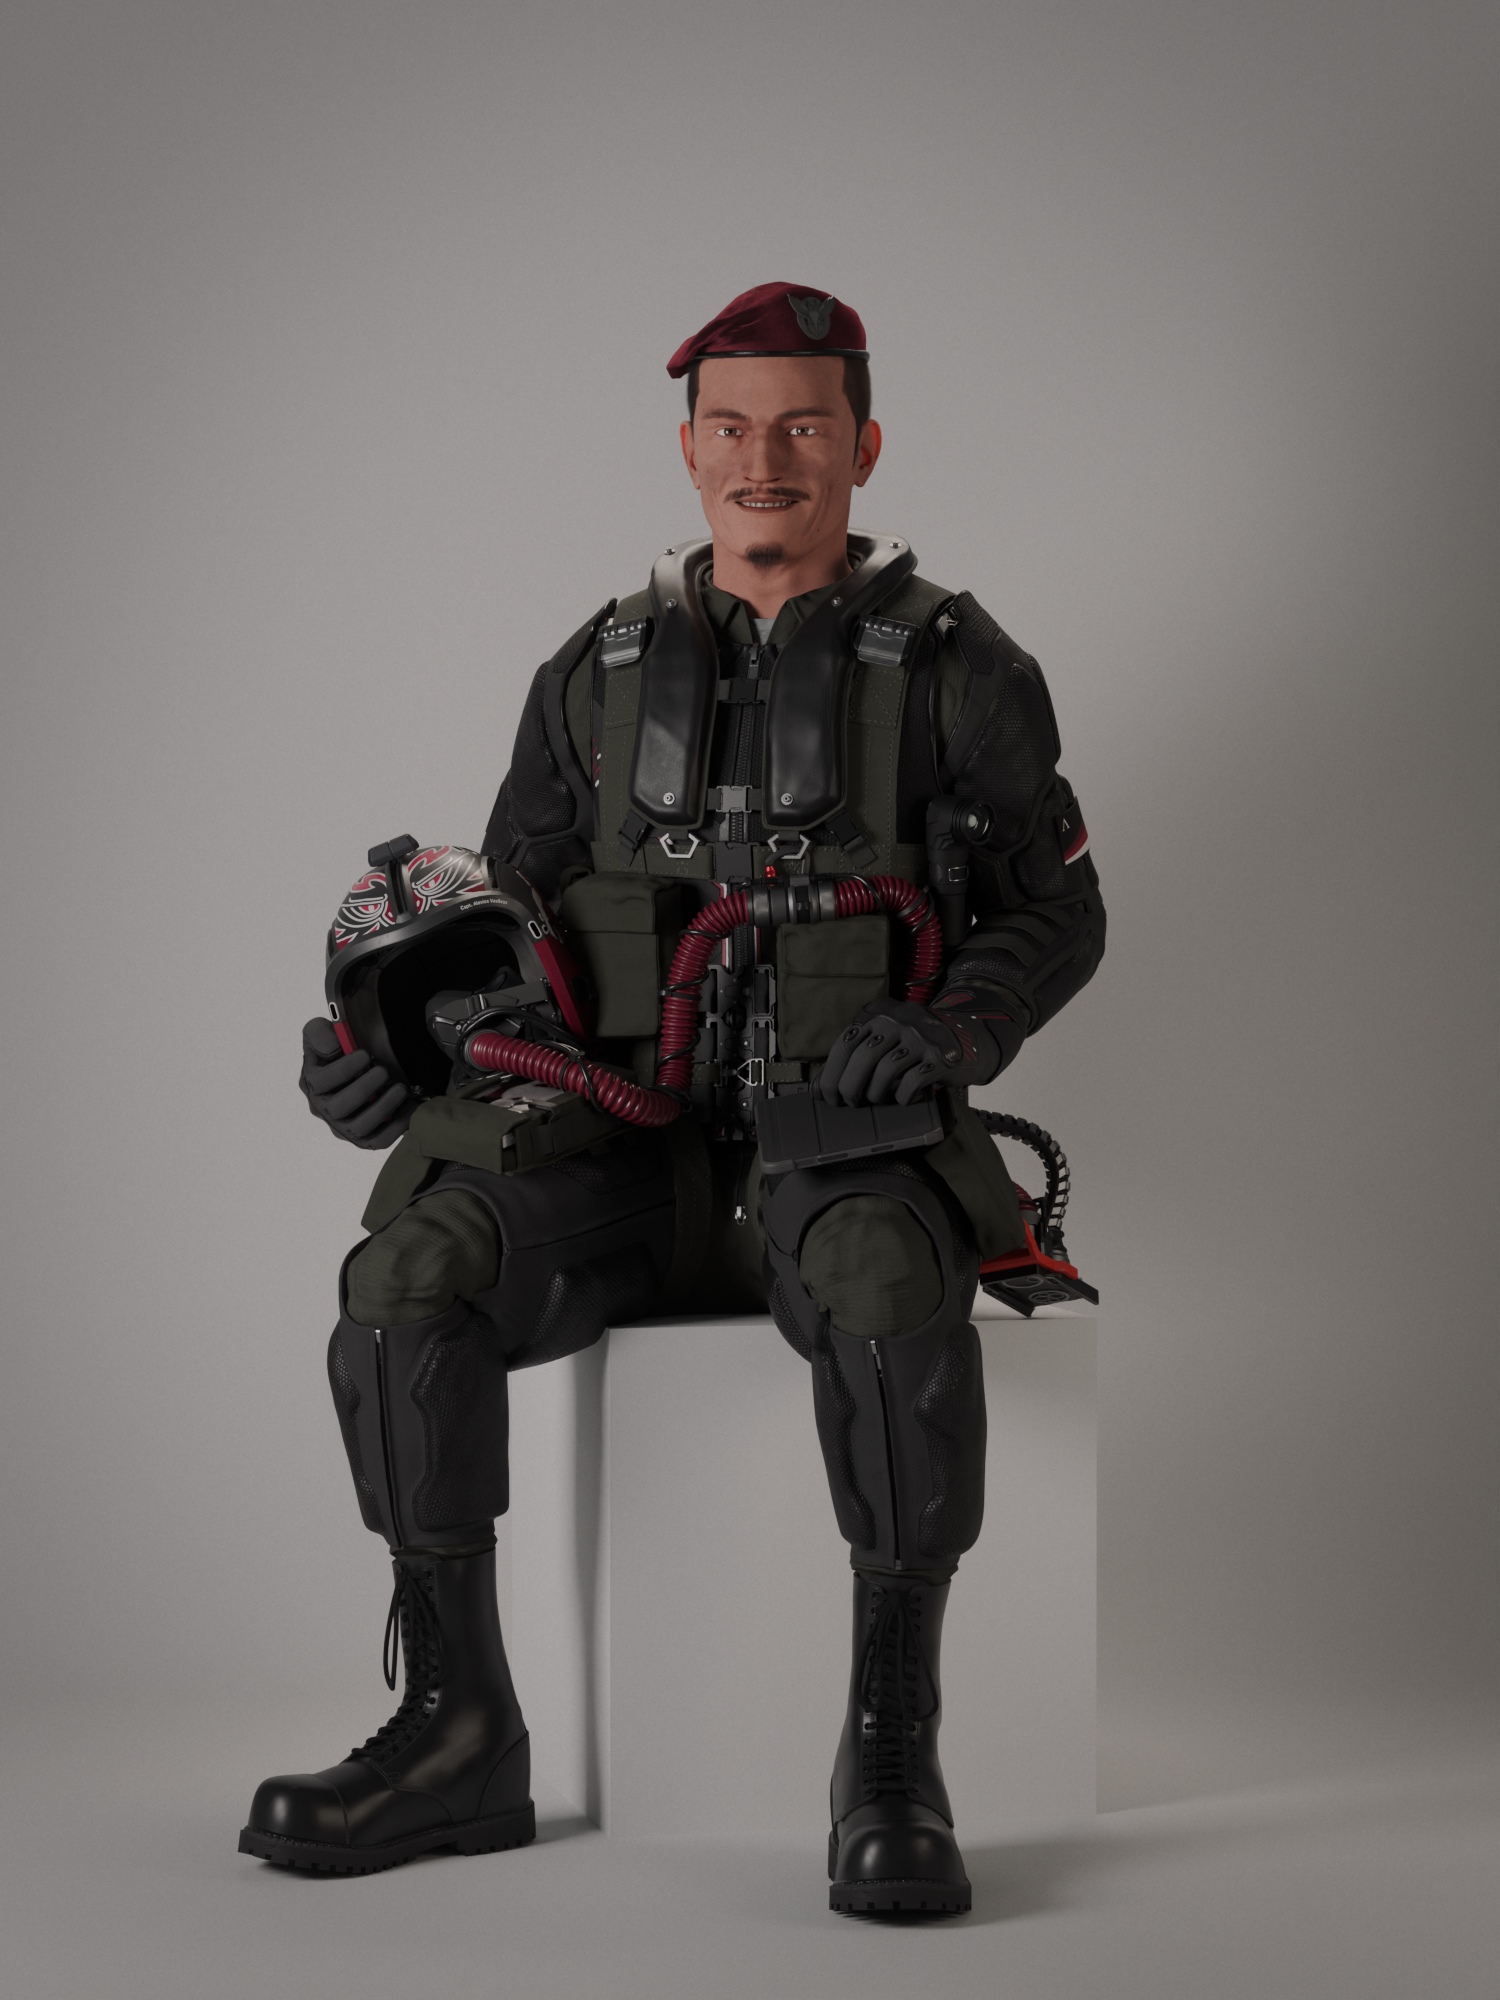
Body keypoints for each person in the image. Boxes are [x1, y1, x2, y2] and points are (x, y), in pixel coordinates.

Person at [239, 283, 1106, 1914]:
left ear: (862, 444)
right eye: (731, 425)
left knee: (886, 1278)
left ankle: (891, 1749)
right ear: (689, 447)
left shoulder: (963, 669)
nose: (763, 457)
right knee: (406, 1272)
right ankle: (455, 1730)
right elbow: (504, 925)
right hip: (620, 1156)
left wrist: (955, 1027)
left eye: (802, 423)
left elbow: (1061, 910)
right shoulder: (592, 674)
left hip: (841, 1147)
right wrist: (393, 1055)